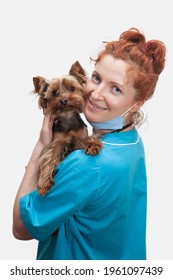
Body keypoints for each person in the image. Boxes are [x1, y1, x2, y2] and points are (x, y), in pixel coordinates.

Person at [13, 28, 166, 260]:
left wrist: (40, 147)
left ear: (137, 103)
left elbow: (21, 228)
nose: (95, 94)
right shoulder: (131, 141)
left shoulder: (87, 164)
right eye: (96, 78)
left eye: (115, 88)